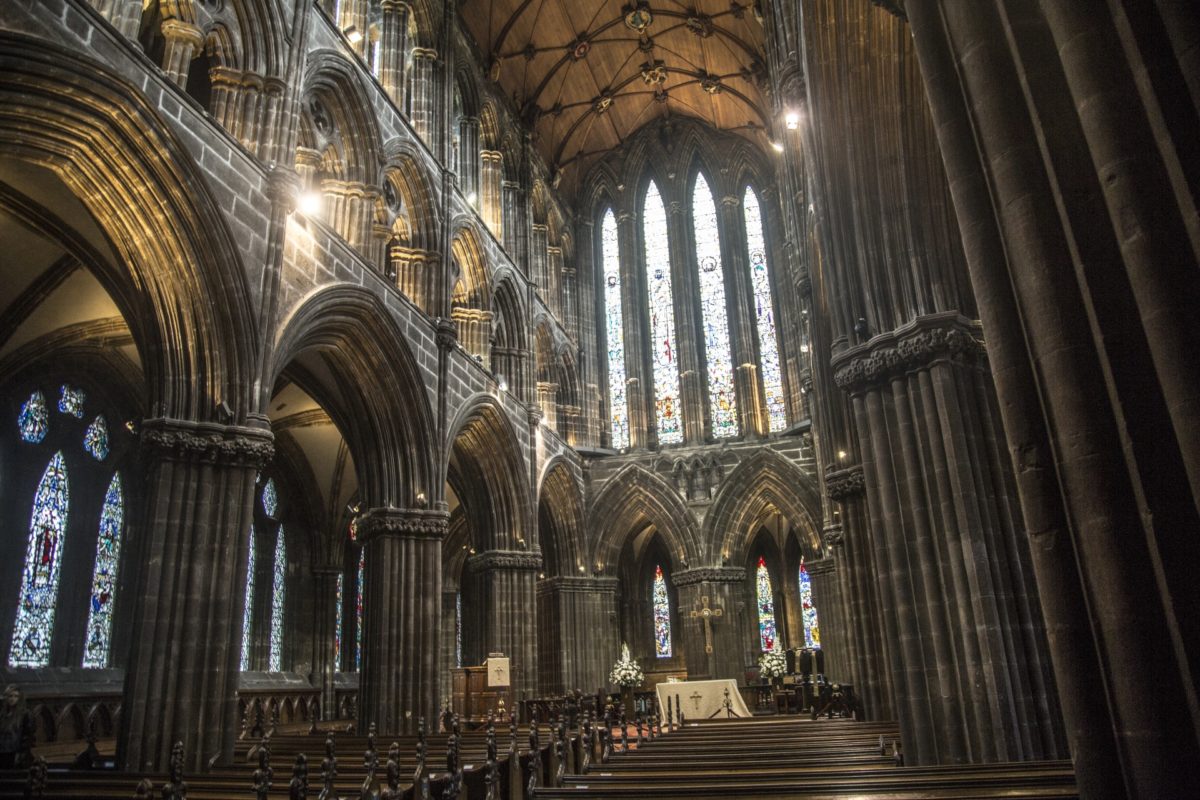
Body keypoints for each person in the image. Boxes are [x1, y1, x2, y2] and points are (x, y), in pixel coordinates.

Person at [0, 685, 35, 769]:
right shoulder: (2, 715)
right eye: (10, 696)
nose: (12, 699)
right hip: (2, 751)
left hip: (15, 753)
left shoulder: (25, 714)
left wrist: (22, 753)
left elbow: (28, 735)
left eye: (16, 696)